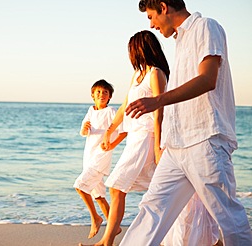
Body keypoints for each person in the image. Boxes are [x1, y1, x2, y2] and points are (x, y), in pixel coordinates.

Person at [119, 1, 252, 245]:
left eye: (151, 16)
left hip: (205, 140)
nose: (151, 24)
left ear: (163, 7)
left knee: (228, 218)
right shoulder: (180, 41)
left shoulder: (206, 26)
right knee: (151, 210)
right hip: (176, 145)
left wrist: (158, 101)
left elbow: (207, 79)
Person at [79, 30, 169, 246]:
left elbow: (160, 110)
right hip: (135, 139)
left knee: (117, 186)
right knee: (154, 189)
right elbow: (124, 107)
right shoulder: (138, 76)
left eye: (131, 49)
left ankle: (107, 241)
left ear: (140, 48)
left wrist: (157, 145)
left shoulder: (155, 74)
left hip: (147, 137)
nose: (130, 54)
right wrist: (109, 130)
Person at [74, 79, 127, 239]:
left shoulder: (111, 111)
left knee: (80, 186)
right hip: (88, 156)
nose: (102, 95)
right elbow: (84, 132)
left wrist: (112, 145)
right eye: (98, 92)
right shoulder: (90, 111)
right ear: (92, 95)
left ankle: (96, 218)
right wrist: (84, 129)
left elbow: (124, 130)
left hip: (101, 157)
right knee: (99, 196)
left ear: (110, 96)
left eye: (105, 92)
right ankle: (115, 227)